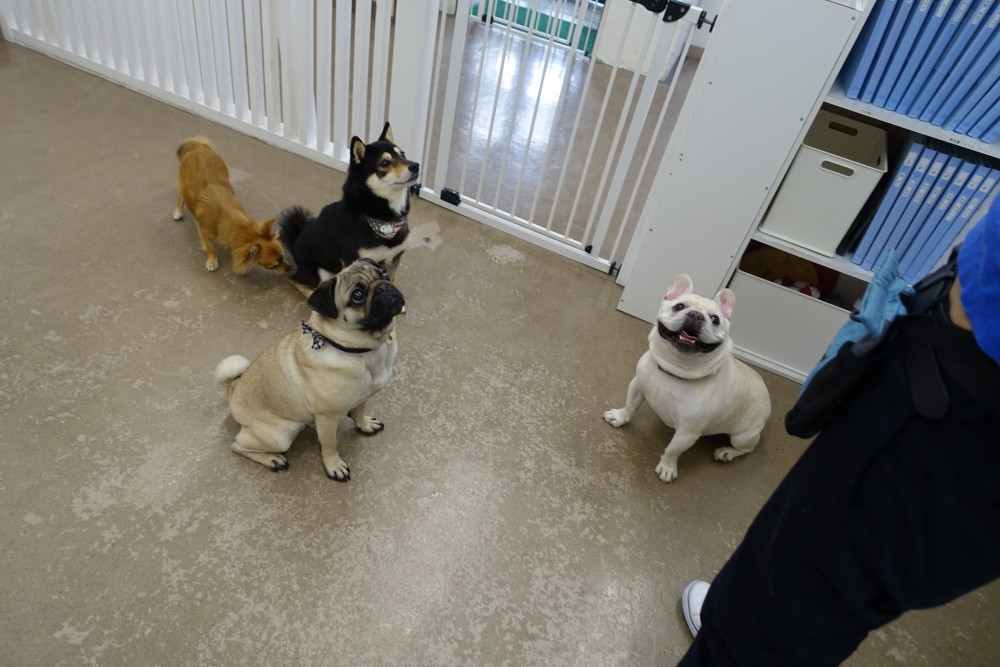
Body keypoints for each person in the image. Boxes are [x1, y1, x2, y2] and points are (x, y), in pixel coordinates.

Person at [677, 196, 1000, 666]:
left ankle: (752, 627)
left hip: (959, 398)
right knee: (801, 563)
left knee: (805, 588)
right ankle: (750, 609)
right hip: (956, 361)